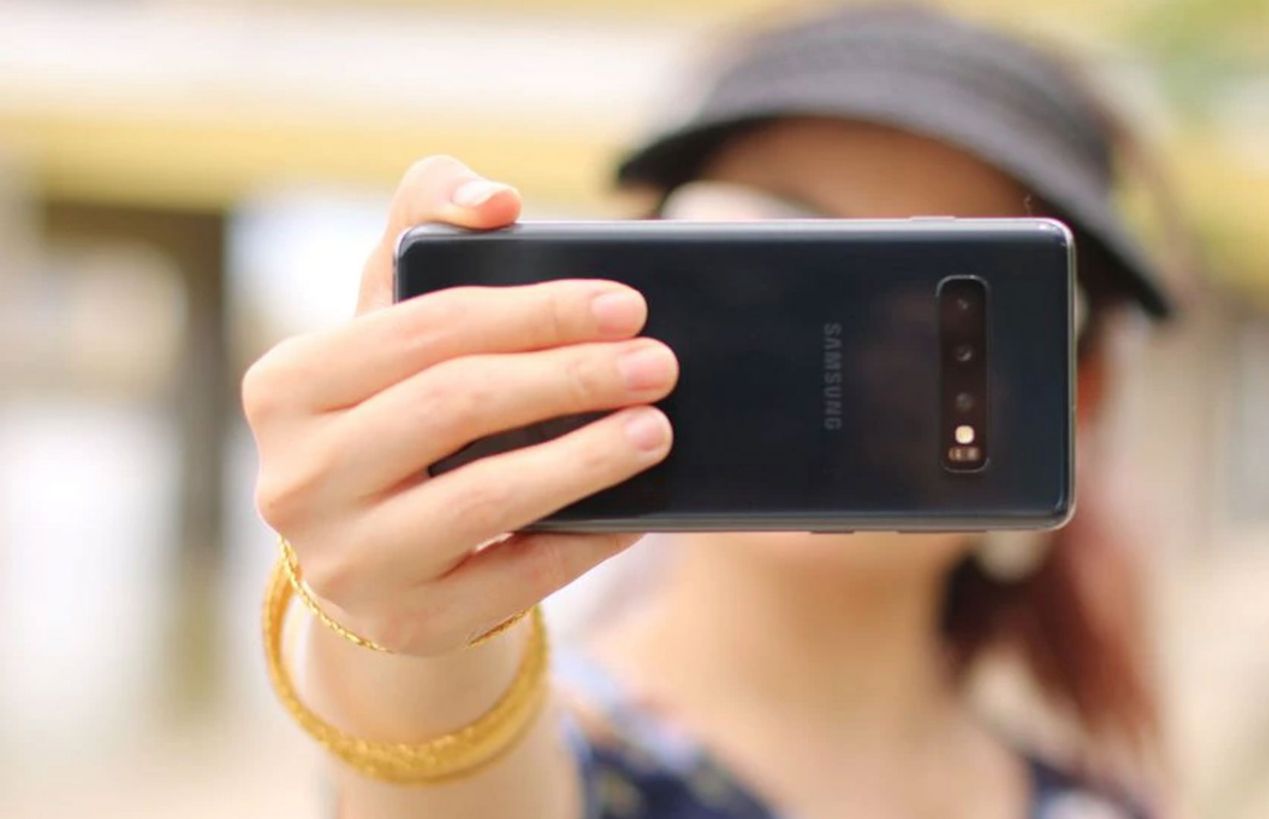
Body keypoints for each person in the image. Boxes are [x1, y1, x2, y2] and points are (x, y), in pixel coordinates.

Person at [243, 5, 1186, 818]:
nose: (849, 336)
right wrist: (404, 641)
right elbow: (452, 773)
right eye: (778, 241)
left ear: (1076, 398)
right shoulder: (563, 756)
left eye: (940, 293)